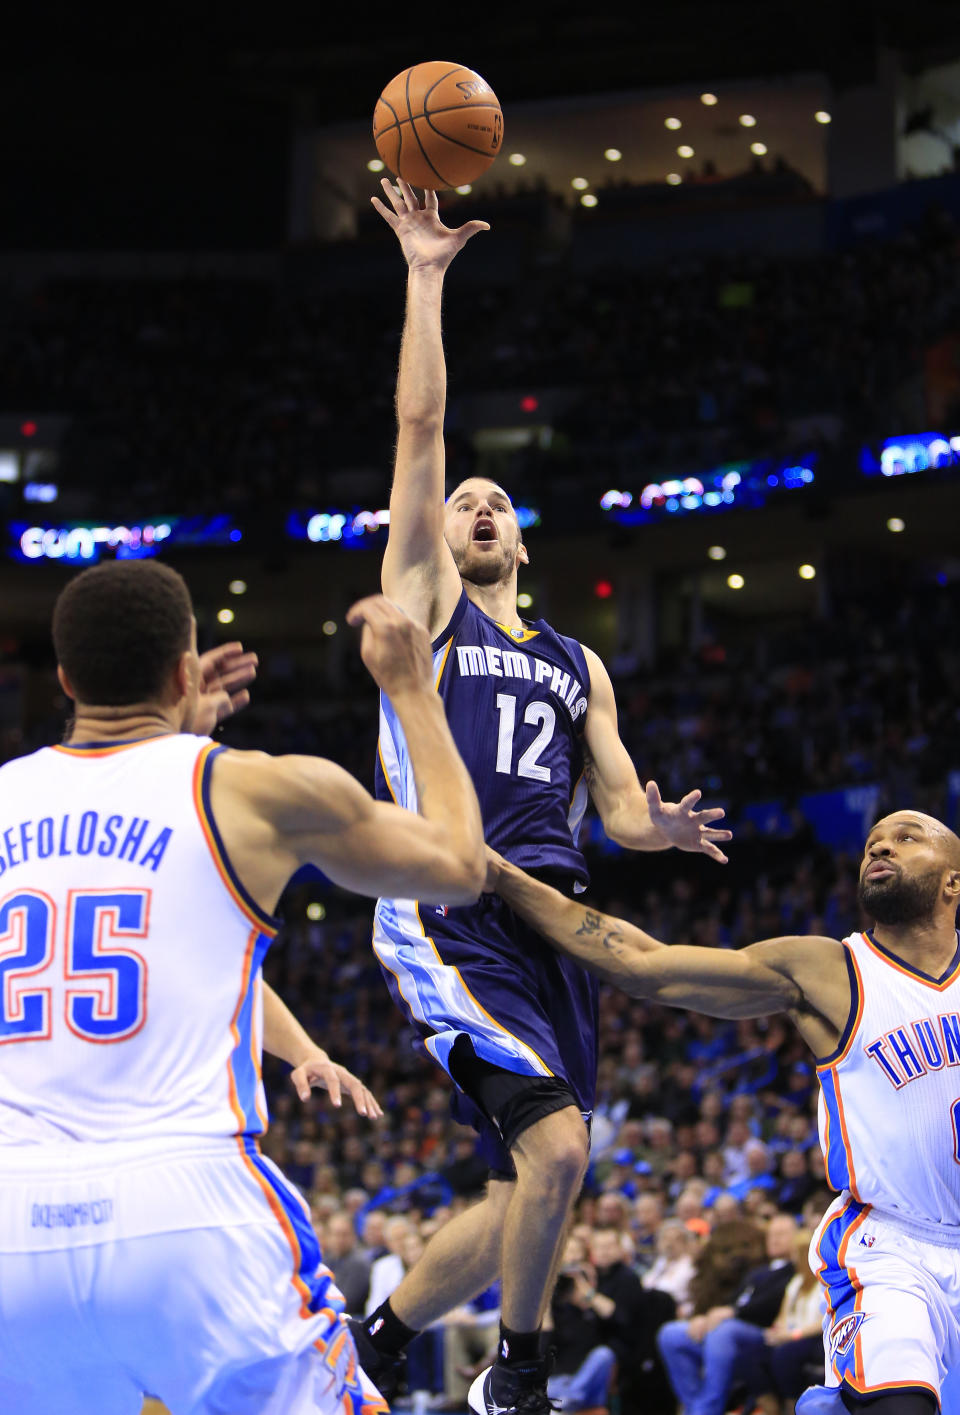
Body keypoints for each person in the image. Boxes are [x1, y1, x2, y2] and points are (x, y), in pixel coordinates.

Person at [353, 175, 731, 1415]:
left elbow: (615, 811)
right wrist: (425, 274)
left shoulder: (579, 662)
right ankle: (518, 1377)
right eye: (462, 502)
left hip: (558, 920)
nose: (475, 504)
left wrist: (658, 826)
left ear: (524, 539)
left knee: (536, 1184)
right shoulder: (432, 605)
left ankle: (382, 1335)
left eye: (494, 502)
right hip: (453, 898)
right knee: (562, 1147)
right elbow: (421, 431)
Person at [0, 559, 486, 1415]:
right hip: (187, 1206)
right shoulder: (252, 786)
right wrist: (413, 691)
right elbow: (457, 866)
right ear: (186, 672)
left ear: (65, 679)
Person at [486, 808, 960, 1415]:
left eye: (905, 838)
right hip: (894, 1251)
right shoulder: (829, 969)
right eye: (872, 842)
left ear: (952, 882)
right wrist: (503, 876)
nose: (881, 848)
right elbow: (641, 964)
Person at [656, 1212, 797, 1415]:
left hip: (763, 1332)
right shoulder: (758, 1271)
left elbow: (770, 1305)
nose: (774, 1239)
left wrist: (732, 1312)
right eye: (771, 1234)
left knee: (724, 1330)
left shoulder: (795, 1270)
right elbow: (730, 1302)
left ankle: (708, 1409)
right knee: (671, 1333)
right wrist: (704, 1317)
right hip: (729, 1329)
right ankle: (694, 1405)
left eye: (782, 1234)